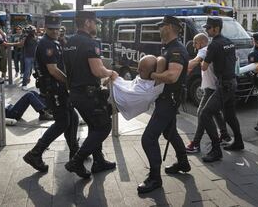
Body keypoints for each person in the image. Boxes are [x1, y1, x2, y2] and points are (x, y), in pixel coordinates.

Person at [137, 15, 190, 194]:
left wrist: (151, 76)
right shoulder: (169, 48)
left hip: (169, 100)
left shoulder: (176, 50)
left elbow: (172, 76)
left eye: (161, 26)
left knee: (148, 138)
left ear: (169, 27)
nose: (159, 29)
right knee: (169, 132)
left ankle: (155, 178)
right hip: (167, 98)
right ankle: (183, 162)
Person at [63, 11, 117, 179]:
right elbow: (98, 70)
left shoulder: (68, 42)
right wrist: (112, 72)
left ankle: (99, 161)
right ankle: (76, 161)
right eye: (95, 22)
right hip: (88, 95)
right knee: (103, 126)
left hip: (75, 93)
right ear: (87, 23)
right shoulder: (90, 43)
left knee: (94, 126)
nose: (97, 25)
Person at [23, 14, 79, 173]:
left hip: (59, 89)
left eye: (57, 29)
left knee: (72, 118)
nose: (55, 31)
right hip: (54, 89)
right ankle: (35, 153)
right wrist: (71, 83)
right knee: (62, 122)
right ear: (45, 28)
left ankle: (75, 153)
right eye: (51, 29)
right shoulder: (47, 44)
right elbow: (53, 70)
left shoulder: (54, 42)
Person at [199, 17, 244, 163]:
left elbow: (204, 67)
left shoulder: (214, 45)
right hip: (232, 82)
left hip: (224, 85)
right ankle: (238, 142)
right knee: (230, 115)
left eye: (208, 28)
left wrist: (201, 58)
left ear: (216, 28)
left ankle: (216, 150)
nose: (206, 30)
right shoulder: (229, 42)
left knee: (205, 113)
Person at [185, 33, 231, 154]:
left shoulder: (204, 50)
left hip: (211, 88)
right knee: (215, 112)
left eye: (195, 42)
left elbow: (195, 62)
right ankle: (225, 135)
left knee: (202, 113)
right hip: (214, 87)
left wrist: (179, 67)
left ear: (201, 42)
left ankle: (195, 143)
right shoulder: (209, 50)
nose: (194, 45)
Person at [110, 55, 166, 120]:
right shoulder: (143, 78)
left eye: (141, 70)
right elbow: (129, 85)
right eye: (138, 68)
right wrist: (116, 80)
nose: (137, 71)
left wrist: (153, 75)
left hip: (116, 102)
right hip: (114, 95)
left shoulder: (154, 86)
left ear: (152, 72)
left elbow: (162, 60)